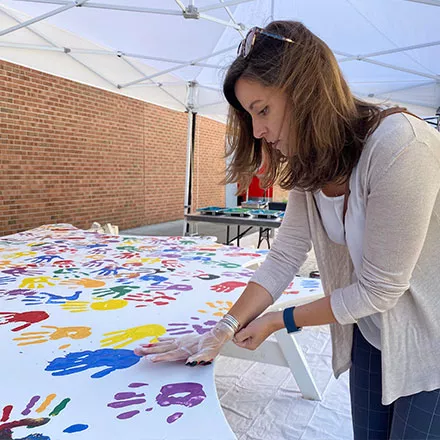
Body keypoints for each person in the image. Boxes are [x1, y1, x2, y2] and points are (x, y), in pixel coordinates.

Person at [135, 21, 440, 439]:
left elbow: (380, 288)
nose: (257, 130)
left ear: (307, 92)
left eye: (262, 110)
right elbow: (283, 257)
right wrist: (223, 327)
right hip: (372, 330)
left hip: (432, 341)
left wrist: (281, 320)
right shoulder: (311, 164)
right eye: (249, 115)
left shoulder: (402, 146)